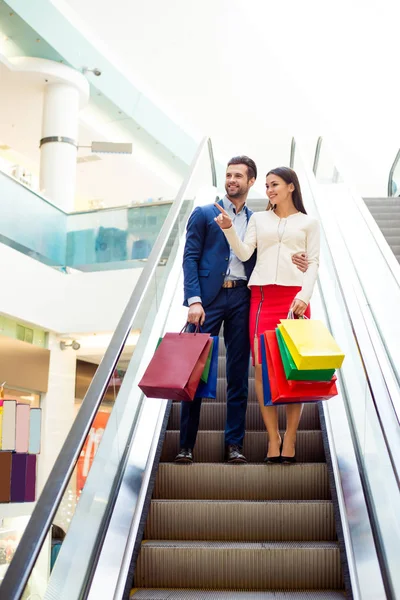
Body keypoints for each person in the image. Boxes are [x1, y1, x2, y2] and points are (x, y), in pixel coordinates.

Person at [176, 158, 308, 464]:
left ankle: (234, 444)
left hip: (242, 300)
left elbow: (272, 254)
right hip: (207, 302)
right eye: (228, 175)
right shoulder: (204, 213)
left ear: (251, 182)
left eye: (239, 176)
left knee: (238, 374)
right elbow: (190, 257)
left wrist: (302, 262)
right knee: (195, 372)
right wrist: (193, 299)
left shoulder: (257, 220)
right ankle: (185, 445)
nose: (232, 179)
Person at [215, 166, 320, 463]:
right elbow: (246, 253)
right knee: (261, 368)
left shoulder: (309, 223)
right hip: (262, 298)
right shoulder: (259, 219)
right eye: (267, 186)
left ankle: (291, 437)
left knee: (293, 369)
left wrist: (304, 295)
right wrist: (228, 229)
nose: (269, 190)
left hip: (294, 300)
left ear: (290, 187)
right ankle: (273, 437)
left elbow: (313, 263)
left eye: (274, 185)